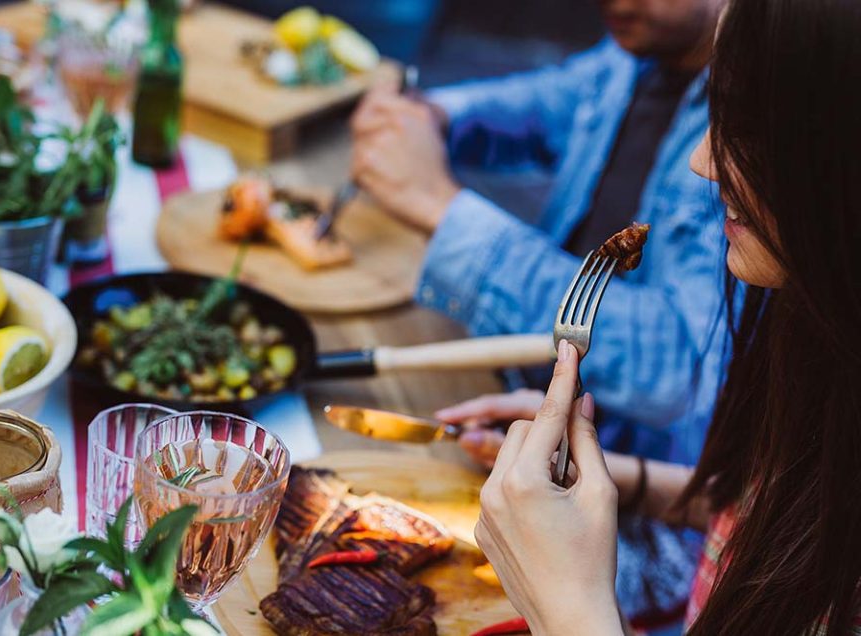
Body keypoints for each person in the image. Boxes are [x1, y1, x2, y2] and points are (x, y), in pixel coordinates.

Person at [477, 0, 861, 633]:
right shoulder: (823, 336)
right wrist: (621, 482)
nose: (702, 163)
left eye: (750, 124)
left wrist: (570, 610)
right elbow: (782, 514)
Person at [352, 0, 726, 621]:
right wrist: (431, 116)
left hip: (646, 540)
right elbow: (550, 102)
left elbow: (679, 368)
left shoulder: (750, 122)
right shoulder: (641, 55)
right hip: (541, 426)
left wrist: (442, 208)